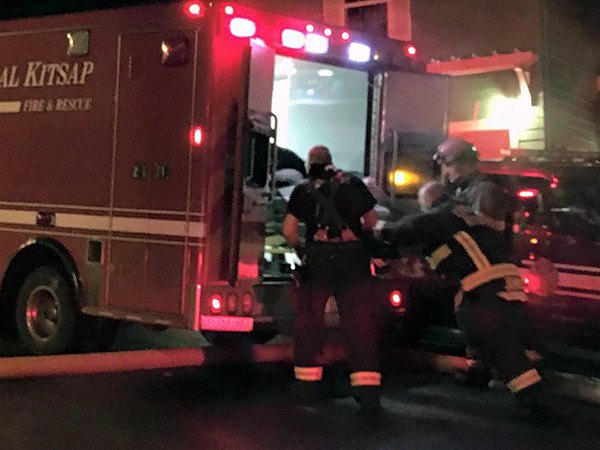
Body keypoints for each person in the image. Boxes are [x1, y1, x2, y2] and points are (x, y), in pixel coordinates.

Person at [381, 181, 548, 417]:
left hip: (484, 290)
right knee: (486, 329)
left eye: (422, 204)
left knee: (496, 341)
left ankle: (533, 398)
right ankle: (479, 372)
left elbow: (409, 228)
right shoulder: (467, 217)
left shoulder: (443, 215)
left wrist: (378, 230)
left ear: (430, 201)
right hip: (507, 289)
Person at [282, 145, 382, 412]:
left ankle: (307, 386)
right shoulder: (354, 183)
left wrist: (301, 250)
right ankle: (367, 390)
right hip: (353, 259)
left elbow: (289, 230)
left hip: (319, 258)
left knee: (310, 320)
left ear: (308, 164)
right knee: (360, 321)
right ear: (331, 161)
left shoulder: (302, 189)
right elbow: (371, 220)